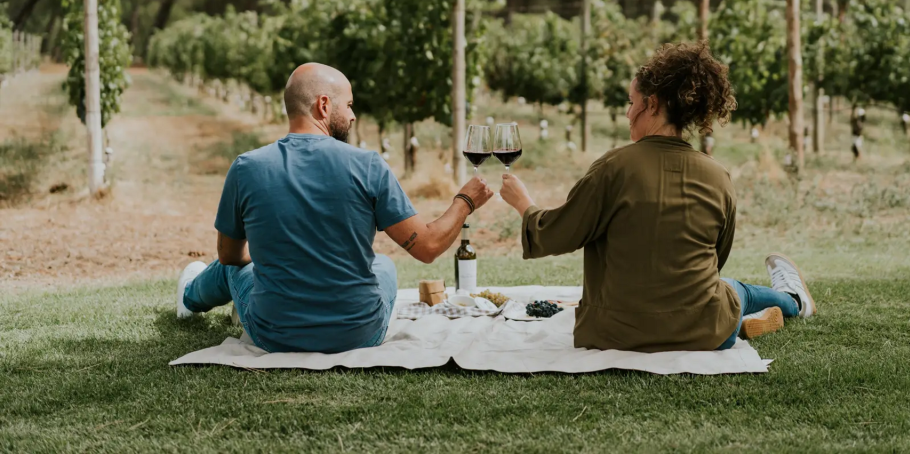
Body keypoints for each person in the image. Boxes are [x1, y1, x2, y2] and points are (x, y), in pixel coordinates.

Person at [499, 42, 815, 352]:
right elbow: (716, 258)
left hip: (616, 334)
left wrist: (522, 202)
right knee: (734, 289)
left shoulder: (613, 166)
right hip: (707, 332)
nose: (626, 113)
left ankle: (788, 299)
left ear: (651, 105)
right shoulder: (718, 176)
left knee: (731, 289)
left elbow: (554, 235)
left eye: (630, 102)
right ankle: (793, 300)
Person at [175, 63, 493, 353]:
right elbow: (427, 247)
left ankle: (190, 297)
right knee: (383, 265)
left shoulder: (247, 167)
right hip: (359, 333)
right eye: (350, 105)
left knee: (231, 267)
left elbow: (230, 256)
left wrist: (266, 260)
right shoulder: (368, 165)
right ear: (324, 105)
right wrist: (464, 201)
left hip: (276, 333)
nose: (353, 116)